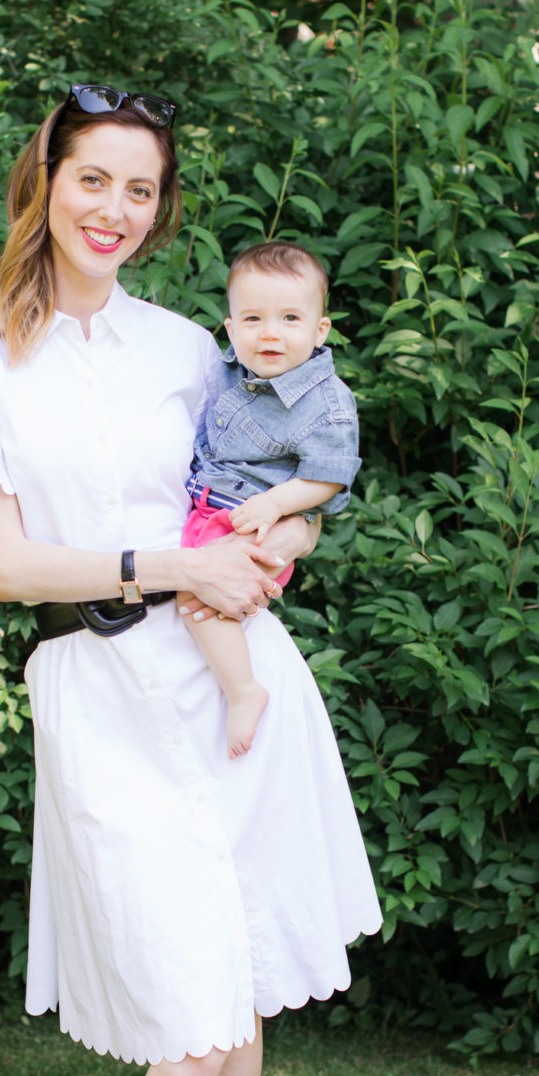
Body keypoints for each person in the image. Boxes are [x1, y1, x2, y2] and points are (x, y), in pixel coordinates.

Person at [0, 82, 382, 1076]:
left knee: (231, 1007)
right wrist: (168, 559)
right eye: (94, 179)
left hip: (233, 685)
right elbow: (6, 566)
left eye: (141, 188)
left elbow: (299, 465)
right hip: (101, 688)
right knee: (187, 1023)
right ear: (45, 180)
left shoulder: (194, 346)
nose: (116, 208)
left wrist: (272, 548)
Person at [180, 240, 361, 758]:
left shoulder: (325, 401)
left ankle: (243, 691)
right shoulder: (229, 372)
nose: (271, 333)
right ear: (231, 328)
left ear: (319, 330)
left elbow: (329, 478)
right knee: (193, 588)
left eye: (289, 318)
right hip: (215, 508)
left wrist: (278, 505)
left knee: (199, 596)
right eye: (254, 319)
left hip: (252, 524)